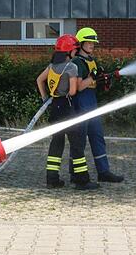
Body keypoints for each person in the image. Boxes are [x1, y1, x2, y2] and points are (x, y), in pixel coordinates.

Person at [36, 34, 98, 190]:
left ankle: (52, 179)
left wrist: (45, 97)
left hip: (54, 107)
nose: (76, 52)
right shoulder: (71, 67)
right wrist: (91, 78)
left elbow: (39, 80)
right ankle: (82, 181)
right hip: (67, 108)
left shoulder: (51, 66)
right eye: (75, 49)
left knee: (56, 144)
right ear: (69, 51)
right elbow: (72, 91)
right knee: (77, 144)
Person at [71, 27, 124, 183]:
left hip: (92, 102)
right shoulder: (77, 62)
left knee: (97, 137)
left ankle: (103, 171)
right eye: (89, 42)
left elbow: (93, 82)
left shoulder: (91, 61)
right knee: (79, 141)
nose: (92, 45)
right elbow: (79, 87)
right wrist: (93, 76)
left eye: (94, 42)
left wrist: (104, 81)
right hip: (81, 103)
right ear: (80, 43)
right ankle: (75, 174)